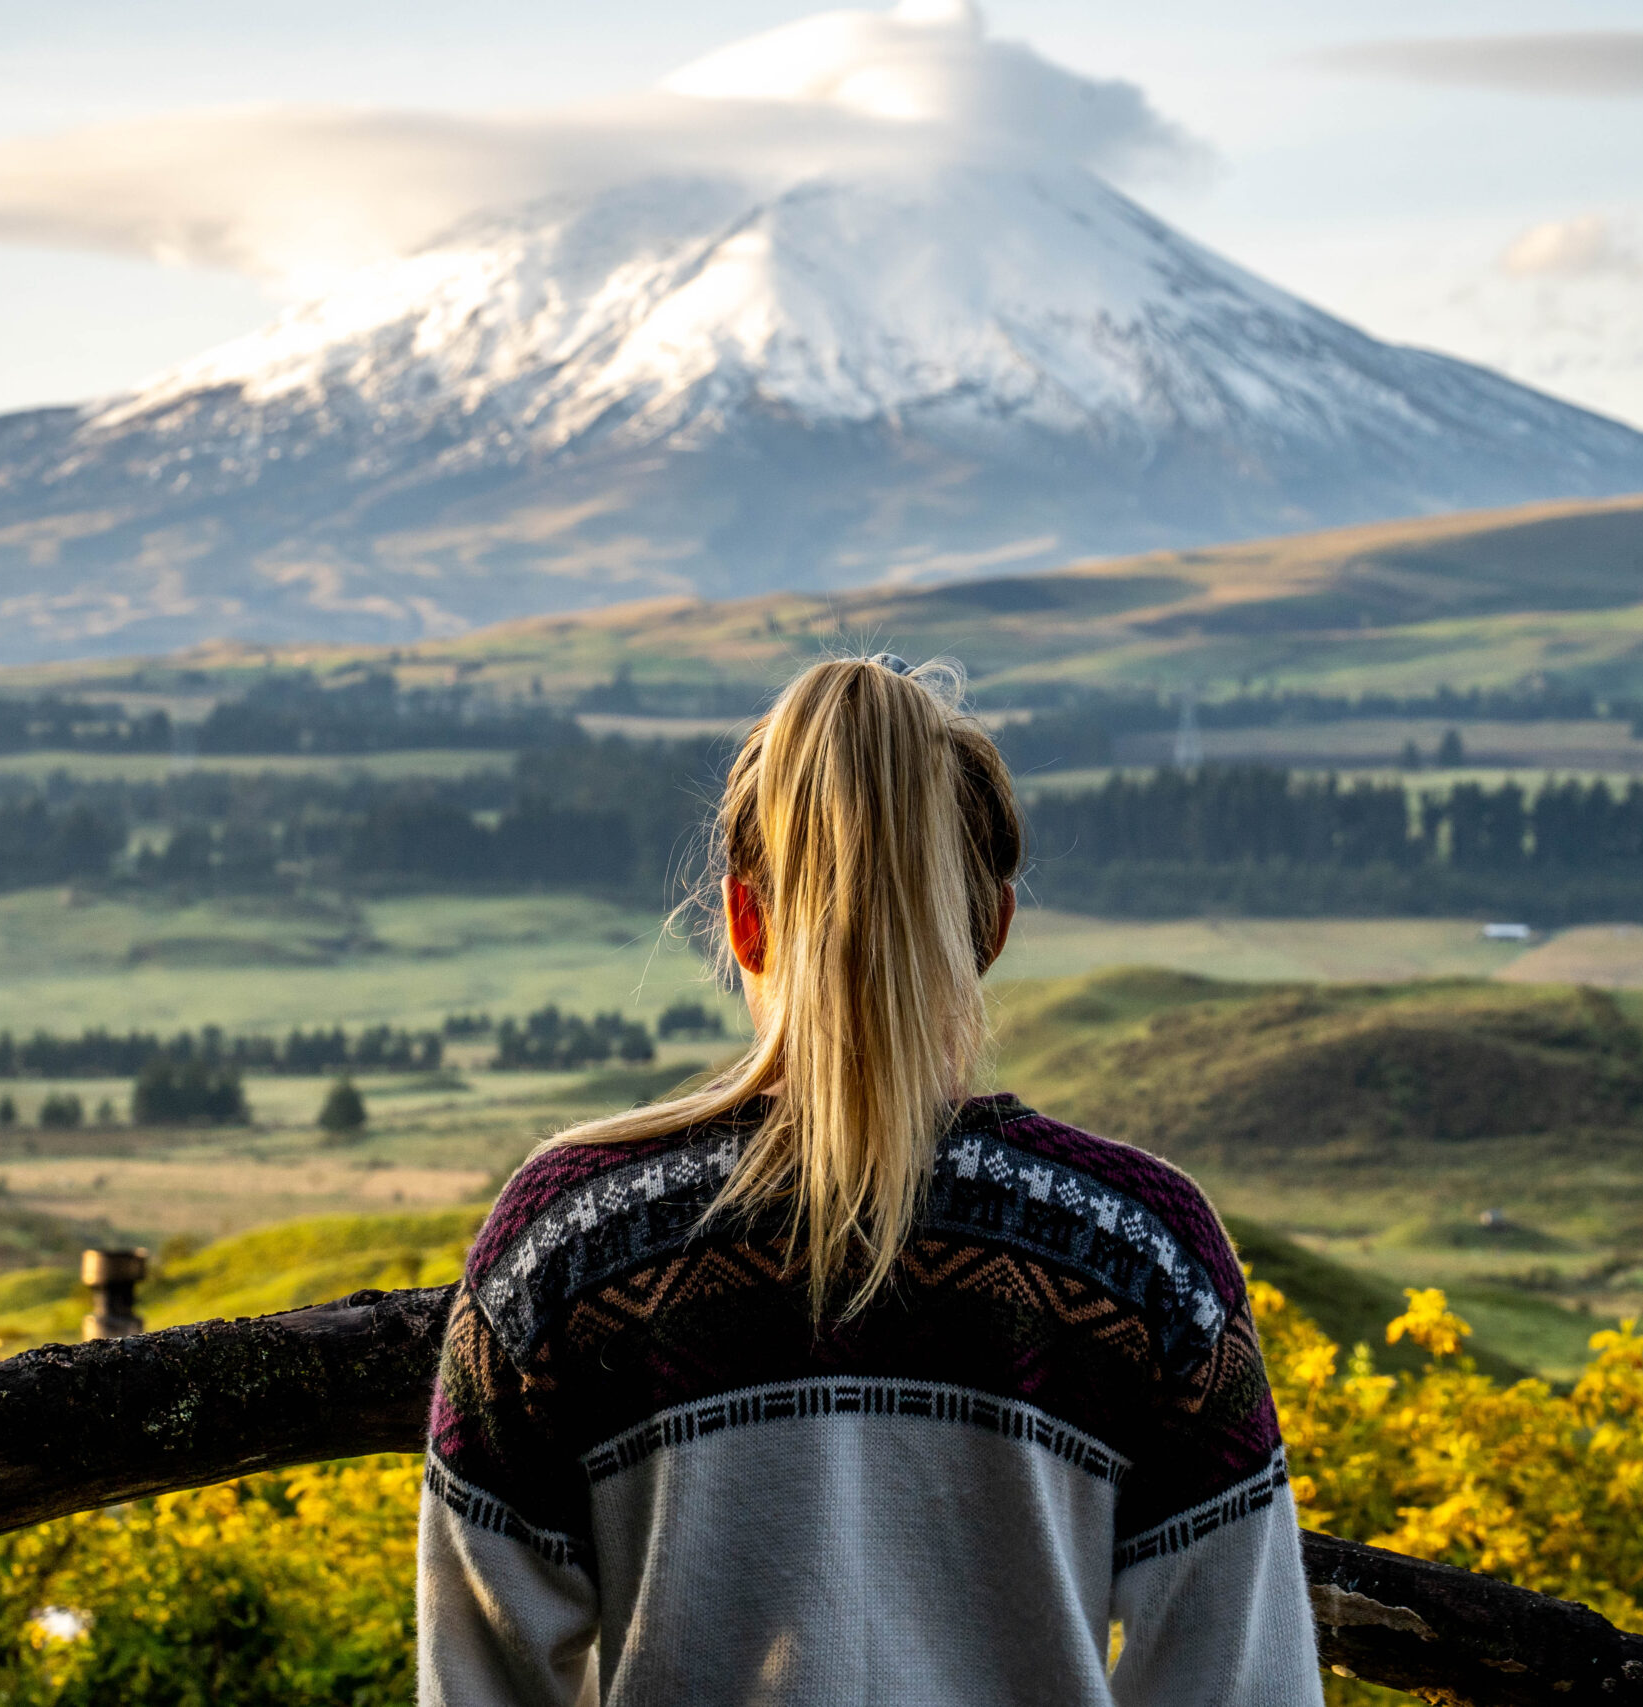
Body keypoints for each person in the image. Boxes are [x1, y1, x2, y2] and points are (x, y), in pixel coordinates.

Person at [418, 655, 1320, 1706]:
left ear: (743, 921)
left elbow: (476, 1680)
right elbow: (1245, 1684)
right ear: (991, 928)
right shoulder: (1143, 1250)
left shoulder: (565, 1238)